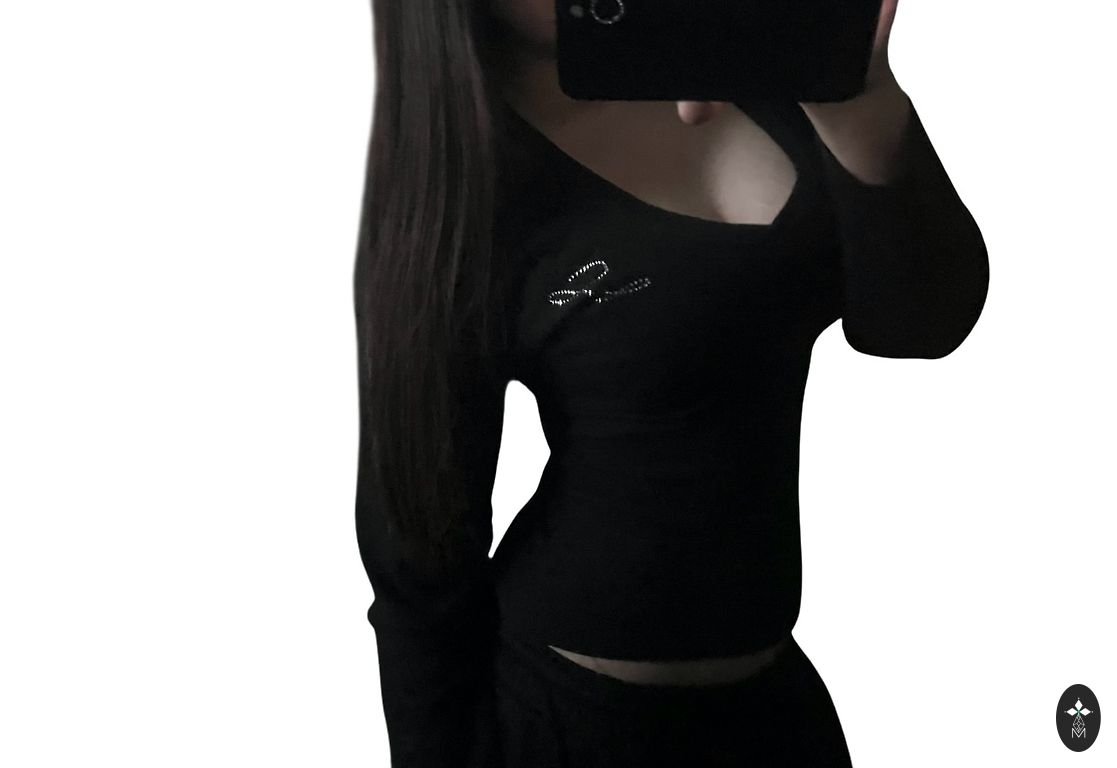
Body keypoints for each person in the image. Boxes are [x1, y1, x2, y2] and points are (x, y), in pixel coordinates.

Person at [352, 1, 990, 766]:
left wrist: (857, 103)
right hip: (568, 722)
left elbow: (917, 328)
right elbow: (416, 541)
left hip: (777, 712)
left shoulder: (747, 65)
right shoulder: (459, 166)